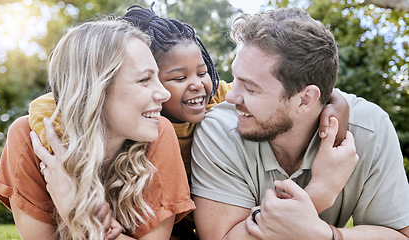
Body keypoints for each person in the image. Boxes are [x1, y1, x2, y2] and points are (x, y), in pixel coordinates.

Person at [26, 4, 354, 240]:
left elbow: (289, 90)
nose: (197, 84)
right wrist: (59, 154)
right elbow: (51, 105)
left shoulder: (207, 105)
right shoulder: (145, 123)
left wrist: (333, 103)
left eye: (201, 72)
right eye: (171, 78)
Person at [190, 7, 409, 240]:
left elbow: (399, 235)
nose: (232, 97)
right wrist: (321, 192)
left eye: (250, 88)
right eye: (235, 79)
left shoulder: (369, 129)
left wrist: (327, 235)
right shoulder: (219, 130)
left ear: (305, 99)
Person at [0, 19, 195, 239]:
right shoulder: (30, 139)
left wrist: (76, 211)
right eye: (145, 79)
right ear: (95, 89)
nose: (165, 93)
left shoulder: (157, 132)